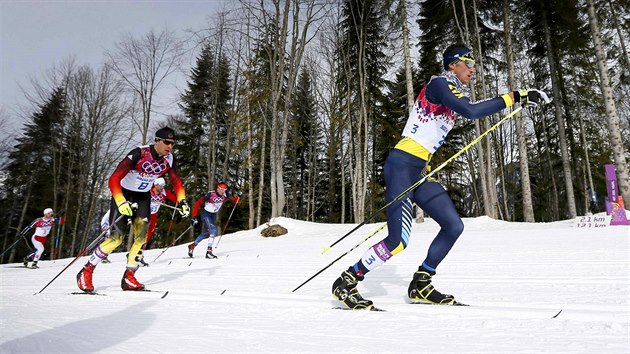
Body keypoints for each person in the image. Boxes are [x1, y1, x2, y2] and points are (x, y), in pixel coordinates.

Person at [332, 44, 550, 310]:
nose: (473, 69)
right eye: (467, 63)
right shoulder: (438, 84)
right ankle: (347, 281)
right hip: (401, 166)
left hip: (418, 171)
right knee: (398, 240)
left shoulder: (453, 91)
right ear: (452, 65)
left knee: (453, 225)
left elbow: (467, 108)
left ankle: (421, 283)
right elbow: (471, 111)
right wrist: (516, 95)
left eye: (474, 64)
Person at [77, 127, 190, 292]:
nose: (170, 146)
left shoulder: (170, 159)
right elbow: (114, 178)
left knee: (141, 238)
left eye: (173, 143)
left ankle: (129, 276)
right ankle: (86, 270)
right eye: (167, 142)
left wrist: (182, 201)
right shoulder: (140, 153)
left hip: (143, 197)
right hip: (123, 194)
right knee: (116, 239)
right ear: (157, 141)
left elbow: (176, 182)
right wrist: (121, 201)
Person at [187, 183, 241, 259]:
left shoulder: (226, 194)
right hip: (206, 214)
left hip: (212, 216)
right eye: (222, 190)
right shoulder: (210, 195)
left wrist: (238, 197)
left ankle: (192, 246)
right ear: (217, 189)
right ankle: (209, 252)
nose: (223, 192)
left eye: (224, 190)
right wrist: (194, 216)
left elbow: (235, 201)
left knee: (205, 233)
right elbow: (197, 203)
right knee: (213, 230)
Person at [136, 177, 177, 266]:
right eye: (161, 185)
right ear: (155, 185)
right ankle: (137, 255)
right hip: (144, 214)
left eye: (164, 185)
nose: (162, 187)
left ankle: (139, 255)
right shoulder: (148, 192)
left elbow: (176, 199)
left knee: (148, 236)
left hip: (153, 215)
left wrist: (180, 203)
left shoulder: (164, 192)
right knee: (142, 235)